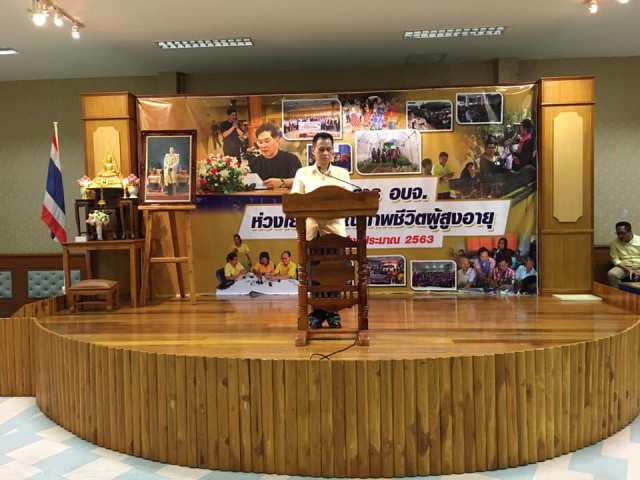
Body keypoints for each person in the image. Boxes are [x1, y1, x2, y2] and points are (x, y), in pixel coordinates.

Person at [291, 132, 351, 328]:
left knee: (334, 273)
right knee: (313, 274)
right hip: (311, 232)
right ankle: (316, 312)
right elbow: (295, 201)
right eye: (321, 149)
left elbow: (348, 202)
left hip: (335, 233)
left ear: (333, 152)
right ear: (313, 152)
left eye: (328, 149)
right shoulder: (303, 173)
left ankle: (332, 312)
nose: (325, 153)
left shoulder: (342, 174)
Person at [249, 123, 301, 189]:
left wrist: (282, 182)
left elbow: (300, 181)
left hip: (285, 195)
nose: (263, 145)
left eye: (267, 141)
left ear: (277, 140)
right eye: (260, 142)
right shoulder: (254, 162)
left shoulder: (291, 159)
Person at [608, 221, 640, 287]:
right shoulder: (614, 243)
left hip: (639, 265)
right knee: (612, 274)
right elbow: (615, 260)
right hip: (624, 267)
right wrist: (628, 269)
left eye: (622, 233)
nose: (620, 236)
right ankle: (618, 291)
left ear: (630, 232)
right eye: (618, 233)